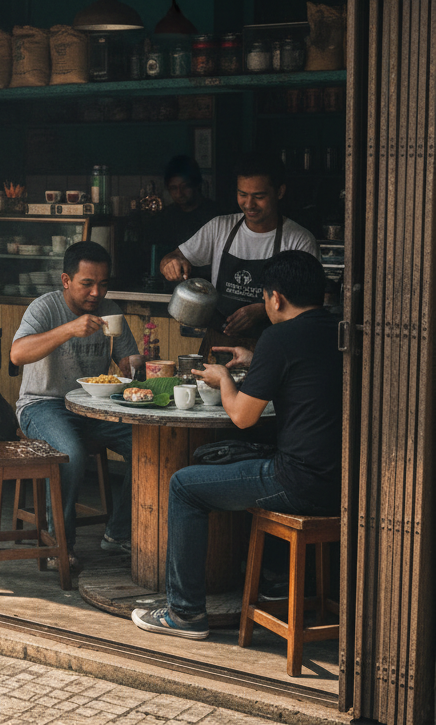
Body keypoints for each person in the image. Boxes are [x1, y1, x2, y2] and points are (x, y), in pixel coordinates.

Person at [131, 250, 341, 640]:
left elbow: (243, 416)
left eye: (264, 298)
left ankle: (185, 613)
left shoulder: (279, 336)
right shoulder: (338, 330)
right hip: (342, 482)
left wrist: (222, 380)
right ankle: (274, 583)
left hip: (299, 482)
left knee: (184, 486)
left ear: (275, 298)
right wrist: (255, 357)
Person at [10, 241, 143, 569]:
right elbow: (18, 354)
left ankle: (118, 533)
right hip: (42, 404)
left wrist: (135, 365)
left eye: (103, 283)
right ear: (66, 280)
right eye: (87, 283)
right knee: (71, 453)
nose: (96, 293)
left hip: (94, 406)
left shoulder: (111, 311)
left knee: (148, 445)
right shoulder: (44, 308)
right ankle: (60, 543)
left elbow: (128, 360)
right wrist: (69, 329)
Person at [159, 153, 319, 346]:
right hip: (219, 345)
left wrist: (262, 310)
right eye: (242, 194)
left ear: (280, 192)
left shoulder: (299, 240)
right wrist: (171, 263)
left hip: (272, 348)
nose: (249, 204)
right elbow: (172, 257)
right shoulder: (219, 227)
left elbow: (309, 310)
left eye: (259, 196)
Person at [156, 155, 221, 272]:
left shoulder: (215, 216)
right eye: (174, 188)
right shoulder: (165, 217)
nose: (179, 193)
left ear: (197, 184)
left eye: (185, 187)